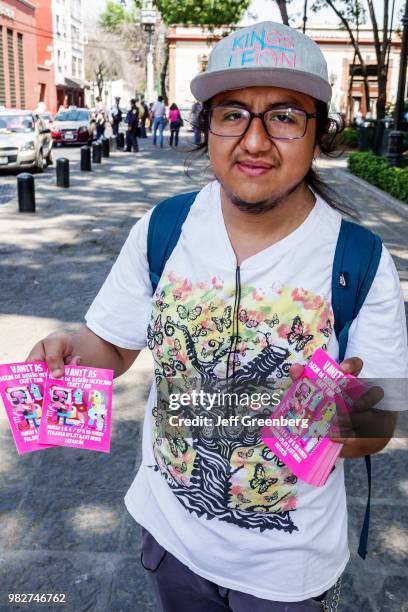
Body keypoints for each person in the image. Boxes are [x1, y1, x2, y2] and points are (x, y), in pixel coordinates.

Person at [27, 21, 408, 611]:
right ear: (206, 127)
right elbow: (115, 345)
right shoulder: (164, 229)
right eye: (232, 114)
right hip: (170, 536)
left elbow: (377, 430)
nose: (254, 142)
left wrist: (345, 422)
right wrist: (68, 348)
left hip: (288, 570)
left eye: (284, 116)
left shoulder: (356, 260)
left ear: (319, 134)